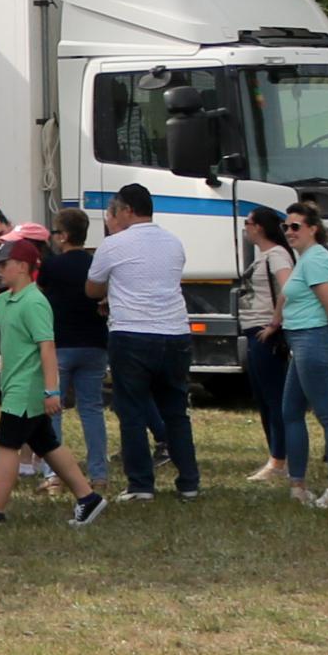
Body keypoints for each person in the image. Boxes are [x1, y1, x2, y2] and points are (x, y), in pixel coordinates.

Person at [0, 228, 106, 527]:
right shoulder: (8, 299)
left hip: (25, 389)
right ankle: (89, 499)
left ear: (22, 266)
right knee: (47, 444)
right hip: (18, 387)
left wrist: (52, 391)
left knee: (8, 445)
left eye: (3, 264)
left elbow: (48, 348)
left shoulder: (34, 302)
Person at [92, 181, 200, 500]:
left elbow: (92, 287)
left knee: (133, 410)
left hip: (132, 333)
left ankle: (141, 484)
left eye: (113, 211)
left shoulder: (114, 244)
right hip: (175, 332)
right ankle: (189, 482)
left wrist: (109, 293)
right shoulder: (173, 242)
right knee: (176, 411)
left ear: (126, 210)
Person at [279, 199, 328, 509]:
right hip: (301, 342)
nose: (289, 231)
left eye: (296, 226)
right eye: (286, 227)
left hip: (313, 340)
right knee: (291, 413)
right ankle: (298, 487)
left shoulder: (316, 260)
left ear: (313, 228)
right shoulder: (306, 259)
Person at [38, 206, 111, 492]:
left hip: (61, 345)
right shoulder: (94, 264)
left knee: (53, 410)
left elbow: (42, 297)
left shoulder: (52, 267)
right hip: (94, 344)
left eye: (55, 232)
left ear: (64, 236)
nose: (54, 238)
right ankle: (98, 474)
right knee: (91, 409)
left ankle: (53, 475)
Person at [235, 202, 298, 484]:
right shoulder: (264, 256)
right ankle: (276, 455)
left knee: (274, 397)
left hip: (265, 332)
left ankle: (280, 459)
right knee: (263, 396)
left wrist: (275, 321)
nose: (246, 228)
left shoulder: (277, 255)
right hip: (254, 330)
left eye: (248, 223)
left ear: (259, 227)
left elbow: (288, 286)